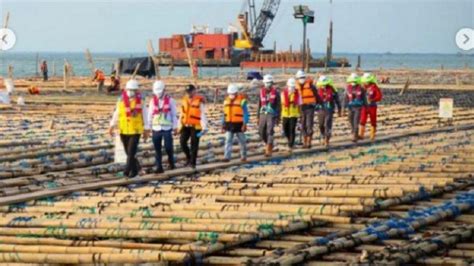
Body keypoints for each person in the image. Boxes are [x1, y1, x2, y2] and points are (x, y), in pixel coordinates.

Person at [108, 79, 150, 178]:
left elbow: (145, 115)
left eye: (134, 90)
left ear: (137, 90)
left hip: (135, 130)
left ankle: (126, 171)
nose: (132, 92)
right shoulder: (121, 100)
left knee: (131, 152)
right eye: (130, 89)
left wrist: (147, 129)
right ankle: (135, 170)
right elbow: (116, 114)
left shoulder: (141, 101)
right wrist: (111, 126)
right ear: (126, 89)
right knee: (128, 152)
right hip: (123, 130)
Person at [147, 80, 178, 173]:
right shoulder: (152, 101)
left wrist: (175, 127)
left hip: (167, 129)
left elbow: (174, 115)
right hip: (156, 128)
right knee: (157, 149)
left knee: (168, 147)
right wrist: (148, 128)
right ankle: (159, 167)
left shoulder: (171, 101)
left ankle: (171, 162)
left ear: (164, 90)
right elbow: (149, 115)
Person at [179, 84, 208, 169]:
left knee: (194, 144)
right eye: (187, 92)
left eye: (190, 91)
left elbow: (202, 114)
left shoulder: (199, 101)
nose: (189, 93)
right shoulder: (184, 100)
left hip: (196, 126)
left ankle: (193, 163)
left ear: (194, 91)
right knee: (182, 142)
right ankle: (188, 158)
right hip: (186, 125)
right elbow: (182, 114)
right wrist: (178, 126)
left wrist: (204, 127)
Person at [222, 83, 249, 162]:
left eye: (233, 93)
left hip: (239, 124)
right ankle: (227, 157)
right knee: (228, 140)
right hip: (229, 124)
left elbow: (245, 113)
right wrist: (222, 125)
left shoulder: (242, 101)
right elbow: (224, 114)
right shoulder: (226, 101)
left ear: (236, 93)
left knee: (242, 141)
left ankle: (243, 156)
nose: (231, 95)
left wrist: (244, 124)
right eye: (230, 94)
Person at [257, 74, 281, 157]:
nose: (268, 84)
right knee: (261, 131)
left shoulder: (276, 93)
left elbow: (278, 105)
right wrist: (257, 117)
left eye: (270, 83)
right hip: (262, 114)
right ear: (264, 83)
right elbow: (259, 105)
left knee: (270, 131)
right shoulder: (261, 92)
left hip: (272, 114)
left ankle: (269, 149)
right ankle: (269, 143)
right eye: (267, 83)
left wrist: (278, 117)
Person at [315, 76, 341, 147]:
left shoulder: (332, 90)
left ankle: (327, 139)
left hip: (329, 110)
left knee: (327, 124)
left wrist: (339, 109)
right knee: (321, 125)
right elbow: (315, 100)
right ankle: (323, 135)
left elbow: (337, 100)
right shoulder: (318, 90)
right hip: (320, 110)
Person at [295, 70, 318, 148]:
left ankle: (309, 142)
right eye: (300, 77)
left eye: (303, 77)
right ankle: (304, 142)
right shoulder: (296, 87)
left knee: (309, 124)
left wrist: (318, 104)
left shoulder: (311, 86)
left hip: (310, 107)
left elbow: (316, 95)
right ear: (297, 78)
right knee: (302, 125)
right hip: (301, 108)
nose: (301, 79)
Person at [281, 78, 302, 154]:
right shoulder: (283, 93)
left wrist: (300, 115)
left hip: (294, 114)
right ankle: (289, 139)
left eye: (293, 86)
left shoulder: (297, 94)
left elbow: (299, 105)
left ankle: (291, 144)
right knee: (285, 128)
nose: (291, 88)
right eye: (290, 86)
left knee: (292, 129)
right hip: (285, 114)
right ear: (287, 86)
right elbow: (281, 104)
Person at [343, 73, 366, 142]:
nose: (353, 83)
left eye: (355, 81)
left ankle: (355, 135)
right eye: (352, 81)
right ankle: (353, 131)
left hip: (358, 108)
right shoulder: (347, 88)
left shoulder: (361, 89)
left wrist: (366, 106)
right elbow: (345, 99)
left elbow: (364, 99)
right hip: (350, 107)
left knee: (356, 121)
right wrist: (343, 108)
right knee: (350, 120)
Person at [360, 73, 383, 141]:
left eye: (366, 81)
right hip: (364, 106)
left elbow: (379, 97)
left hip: (372, 106)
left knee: (373, 120)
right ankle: (361, 135)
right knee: (362, 120)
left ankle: (372, 135)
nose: (365, 82)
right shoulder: (362, 88)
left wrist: (372, 99)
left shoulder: (374, 87)